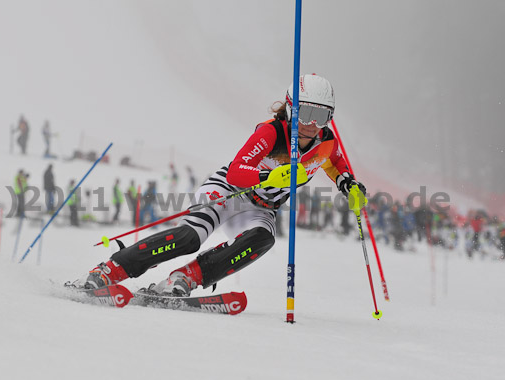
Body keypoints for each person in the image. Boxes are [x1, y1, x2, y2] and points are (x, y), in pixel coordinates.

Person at [79, 74, 365, 297]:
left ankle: (186, 278)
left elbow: (336, 164)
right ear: (291, 107)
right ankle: (112, 269)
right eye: (305, 113)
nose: (311, 124)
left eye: (322, 115)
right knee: (191, 237)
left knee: (263, 239)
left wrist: (350, 186)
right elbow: (237, 171)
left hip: (262, 207)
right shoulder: (271, 133)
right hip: (230, 191)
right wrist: (267, 177)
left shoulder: (326, 144)